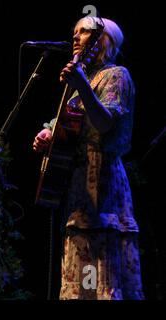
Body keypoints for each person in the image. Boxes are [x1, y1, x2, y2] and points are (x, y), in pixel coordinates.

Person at [32, 17, 144, 300]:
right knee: (82, 272)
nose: (75, 36)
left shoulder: (116, 75)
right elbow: (69, 122)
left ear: (102, 40)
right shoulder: (83, 79)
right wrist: (48, 133)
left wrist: (81, 85)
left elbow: (105, 123)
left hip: (103, 180)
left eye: (83, 31)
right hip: (78, 186)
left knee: (104, 264)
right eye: (74, 32)